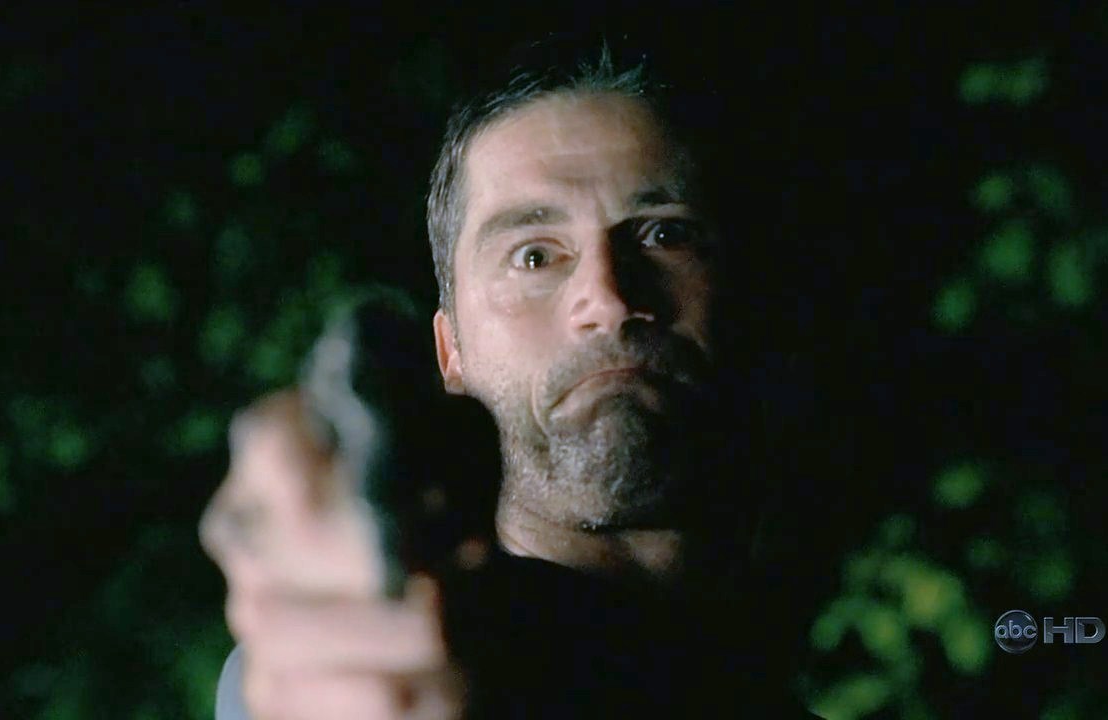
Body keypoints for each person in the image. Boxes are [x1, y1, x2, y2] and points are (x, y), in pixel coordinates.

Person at [200, 39, 820, 719]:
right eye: (533, 256)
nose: (607, 298)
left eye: (664, 236)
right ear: (451, 352)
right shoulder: (414, 658)